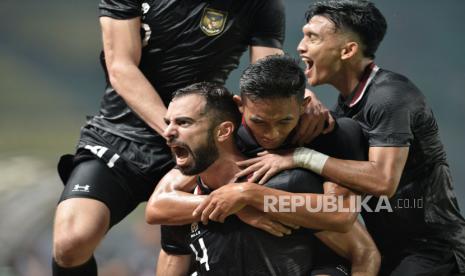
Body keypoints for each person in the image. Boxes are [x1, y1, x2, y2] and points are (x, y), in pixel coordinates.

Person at [51, 0, 296, 275]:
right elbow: (120, 67)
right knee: (70, 244)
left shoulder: (261, 5)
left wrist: (301, 99)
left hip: (202, 142)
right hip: (121, 135)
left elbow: (266, 82)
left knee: (185, 250)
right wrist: (176, 131)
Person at [228, 1, 465, 275]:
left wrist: (299, 158)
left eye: (312, 37)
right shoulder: (343, 109)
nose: (301, 47)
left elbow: (383, 181)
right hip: (391, 249)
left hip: (435, 250)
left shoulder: (390, 96)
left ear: (348, 50)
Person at [147, 56, 380, 275]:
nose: (272, 133)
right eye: (259, 121)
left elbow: (342, 218)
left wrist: (252, 192)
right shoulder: (197, 180)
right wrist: (236, 205)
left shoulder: (318, 148)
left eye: (284, 121)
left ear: (302, 106)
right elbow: (157, 208)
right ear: (240, 108)